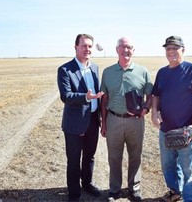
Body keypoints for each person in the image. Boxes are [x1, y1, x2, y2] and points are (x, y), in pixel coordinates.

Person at [151, 36, 192, 202]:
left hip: (187, 132)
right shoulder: (162, 73)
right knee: (168, 166)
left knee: (190, 172)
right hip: (166, 131)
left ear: (183, 50)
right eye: (168, 48)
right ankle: (175, 192)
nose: (171, 51)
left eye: (175, 48)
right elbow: (156, 95)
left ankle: (190, 199)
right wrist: (154, 112)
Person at [100, 37, 153, 201]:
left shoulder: (143, 71)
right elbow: (104, 99)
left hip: (136, 121)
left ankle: (134, 188)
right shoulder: (108, 72)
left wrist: (146, 108)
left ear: (133, 50)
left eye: (129, 47)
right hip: (114, 119)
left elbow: (150, 95)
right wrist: (103, 123)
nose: (125, 50)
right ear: (117, 50)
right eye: (122, 47)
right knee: (114, 156)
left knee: (135, 155)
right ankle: (114, 190)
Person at [57, 33, 104, 202]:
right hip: (74, 123)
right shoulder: (65, 69)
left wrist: (100, 116)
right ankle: (74, 193)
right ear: (76, 47)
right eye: (83, 45)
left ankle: (87, 183)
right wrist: (86, 97)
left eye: (90, 46)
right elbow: (66, 96)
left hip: (92, 120)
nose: (87, 49)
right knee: (74, 159)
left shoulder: (95, 68)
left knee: (90, 156)